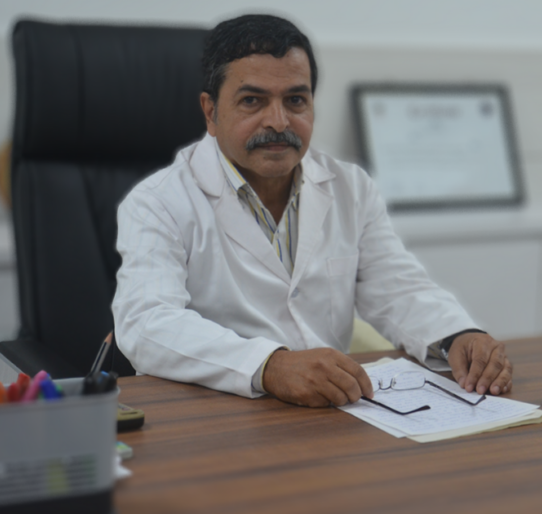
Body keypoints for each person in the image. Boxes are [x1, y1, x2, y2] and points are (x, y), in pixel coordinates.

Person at [112, 14, 513, 408]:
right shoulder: (158, 202)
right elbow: (146, 324)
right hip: (219, 417)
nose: (278, 121)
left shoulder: (350, 187)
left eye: (295, 100)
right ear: (211, 112)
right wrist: (268, 366)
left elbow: (397, 288)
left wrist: (456, 335)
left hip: (331, 413)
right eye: (252, 101)